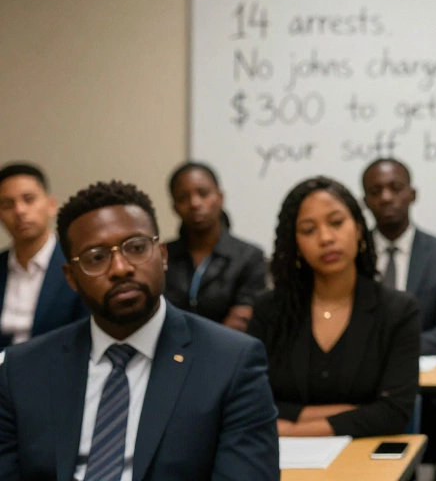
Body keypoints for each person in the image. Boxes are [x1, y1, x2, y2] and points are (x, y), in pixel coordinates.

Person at [0, 180, 278, 479]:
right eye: (96, 257)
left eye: (136, 248)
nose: (120, 268)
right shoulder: (22, 370)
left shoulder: (231, 362)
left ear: (163, 255)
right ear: (71, 277)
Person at [249, 176, 419, 438]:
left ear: (359, 228)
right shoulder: (269, 309)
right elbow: (252, 401)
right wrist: (349, 413)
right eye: (308, 230)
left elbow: (393, 412)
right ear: (295, 243)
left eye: (337, 223)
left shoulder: (398, 310)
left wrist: (292, 428)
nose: (326, 238)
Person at [361, 158, 436, 481]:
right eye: (376, 191)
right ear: (365, 201)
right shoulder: (351, 255)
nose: (386, 197)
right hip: (361, 390)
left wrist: (389, 350)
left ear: (412, 194)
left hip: (427, 393)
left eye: (395, 188)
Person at [163, 162, 267, 332]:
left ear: (220, 197)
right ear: (174, 206)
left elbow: (241, 320)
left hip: (227, 352)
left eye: (203, 193)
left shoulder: (249, 256)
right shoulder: (162, 255)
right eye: (183, 197)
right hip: (169, 350)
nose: (194, 203)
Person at [0, 163, 86, 349]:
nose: (19, 211)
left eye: (29, 199)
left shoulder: (78, 264)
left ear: (51, 205)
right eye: (7, 205)